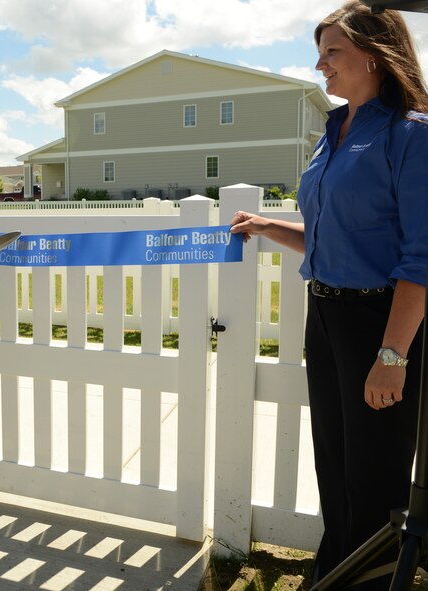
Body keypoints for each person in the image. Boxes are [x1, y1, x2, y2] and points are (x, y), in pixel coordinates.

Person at [230, 2, 428, 587]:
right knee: (335, 465)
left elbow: (420, 257)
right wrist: (270, 228)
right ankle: (335, 572)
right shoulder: (334, 130)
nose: (320, 65)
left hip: (381, 321)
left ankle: (366, 579)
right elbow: (328, 234)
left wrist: (392, 357)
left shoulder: (411, 134)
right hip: (326, 314)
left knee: (373, 473)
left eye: (332, 51)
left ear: (374, 53)